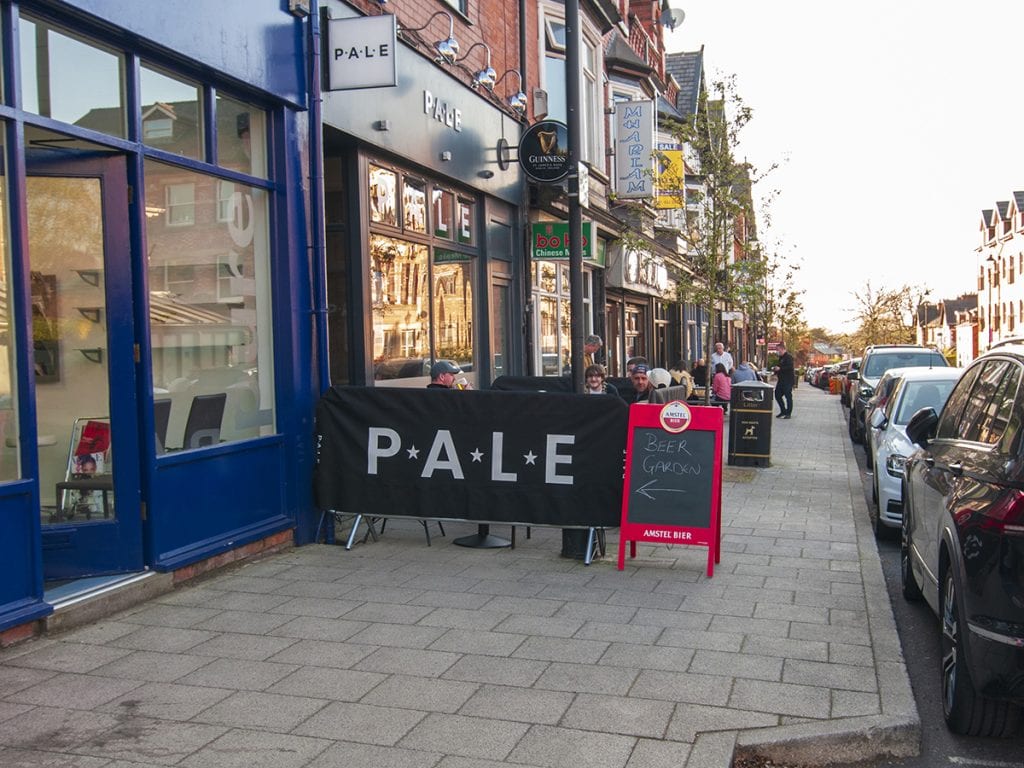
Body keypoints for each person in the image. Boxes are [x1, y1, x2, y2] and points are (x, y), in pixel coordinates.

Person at [773, 341, 795, 418]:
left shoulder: (789, 357)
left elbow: (790, 367)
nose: (777, 351)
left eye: (778, 350)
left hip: (788, 380)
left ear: (782, 349)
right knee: (777, 395)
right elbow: (779, 367)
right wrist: (775, 370)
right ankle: (783, 411)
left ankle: (788, 413)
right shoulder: (781, 358)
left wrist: (780, 368)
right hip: (781, 380)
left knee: (788, 396)